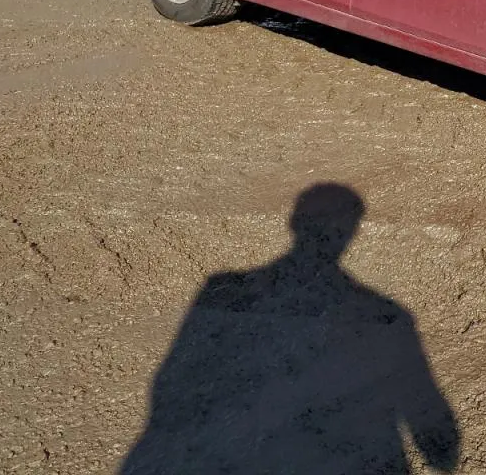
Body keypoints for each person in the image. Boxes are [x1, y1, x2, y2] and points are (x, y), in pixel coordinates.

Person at [121, 184, 460, 474]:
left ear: (294, 223)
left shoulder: (225, 290)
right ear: (351, 233)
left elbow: (176, 384)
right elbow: (430, 419)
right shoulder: (387, 316)